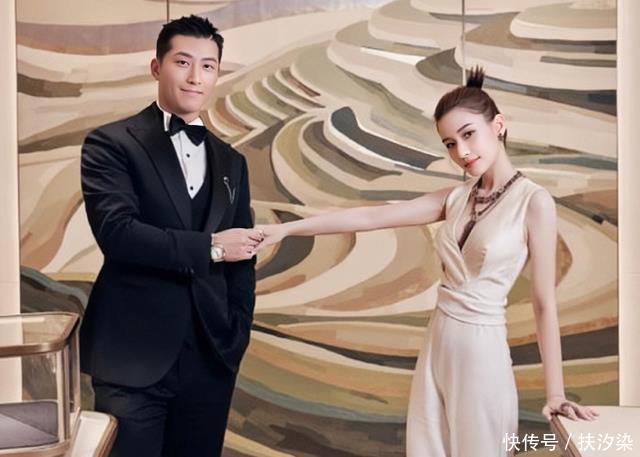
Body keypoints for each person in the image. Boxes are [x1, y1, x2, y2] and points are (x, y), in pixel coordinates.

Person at [256, 67, 598, 456]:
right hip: (437, 346)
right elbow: (371, 217)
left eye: (468, 134)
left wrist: (555, 393)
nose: (461, 152)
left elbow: (544, 303)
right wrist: (287, 230)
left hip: (482, 354)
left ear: (498, 126)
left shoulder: (534, 202)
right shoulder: (456, 197)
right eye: (450, 143)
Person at [80, 15, 263, 457]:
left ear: (216, 74)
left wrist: (237, 331)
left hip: (211, 357)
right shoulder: (111, 143)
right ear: (156, 67)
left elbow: (244, 256)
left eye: (208, 66)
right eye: (183, 62)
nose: (195, 76)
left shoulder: (232, 161)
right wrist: (212, 247)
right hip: (132, 356)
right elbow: (118, 233)